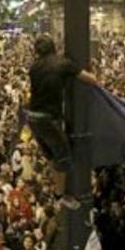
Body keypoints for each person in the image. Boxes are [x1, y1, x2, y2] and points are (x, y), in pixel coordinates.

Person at [26, 34, 96, 196]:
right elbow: (90, 79)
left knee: (52, 155)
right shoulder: (63, 64)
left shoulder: (33, 67)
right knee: (64, 158)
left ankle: (57, 191)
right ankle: (60, 195)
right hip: (48, 119)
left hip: (32, 118)